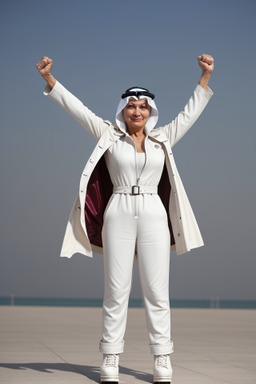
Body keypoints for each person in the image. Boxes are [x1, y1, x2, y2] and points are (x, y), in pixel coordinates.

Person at [36, 53, 214, 384]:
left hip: (153, 214)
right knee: (116, 290)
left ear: (150, 112)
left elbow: (190, 113)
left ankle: (162, 357)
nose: (137, 111)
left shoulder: (164, 139)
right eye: (131, 106)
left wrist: (204, 77)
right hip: (117, 210)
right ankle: (110, 358)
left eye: (143, 106)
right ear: (122, 110)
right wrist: (50, 80)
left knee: (157, 291)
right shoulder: (108, 134)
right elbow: (78, 110)